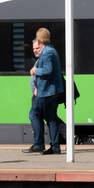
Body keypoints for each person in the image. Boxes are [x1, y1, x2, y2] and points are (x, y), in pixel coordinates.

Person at [25, 27, 66, 155]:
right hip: (48, 91)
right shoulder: (50, 50)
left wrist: (35, 70)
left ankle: (39, 144)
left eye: (37, 46)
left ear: (41, 39)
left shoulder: (48, 53)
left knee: (34, 114)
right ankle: (54, 147)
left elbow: (48, 70)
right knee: (51, 118)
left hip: (46, 92)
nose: (35, 50)